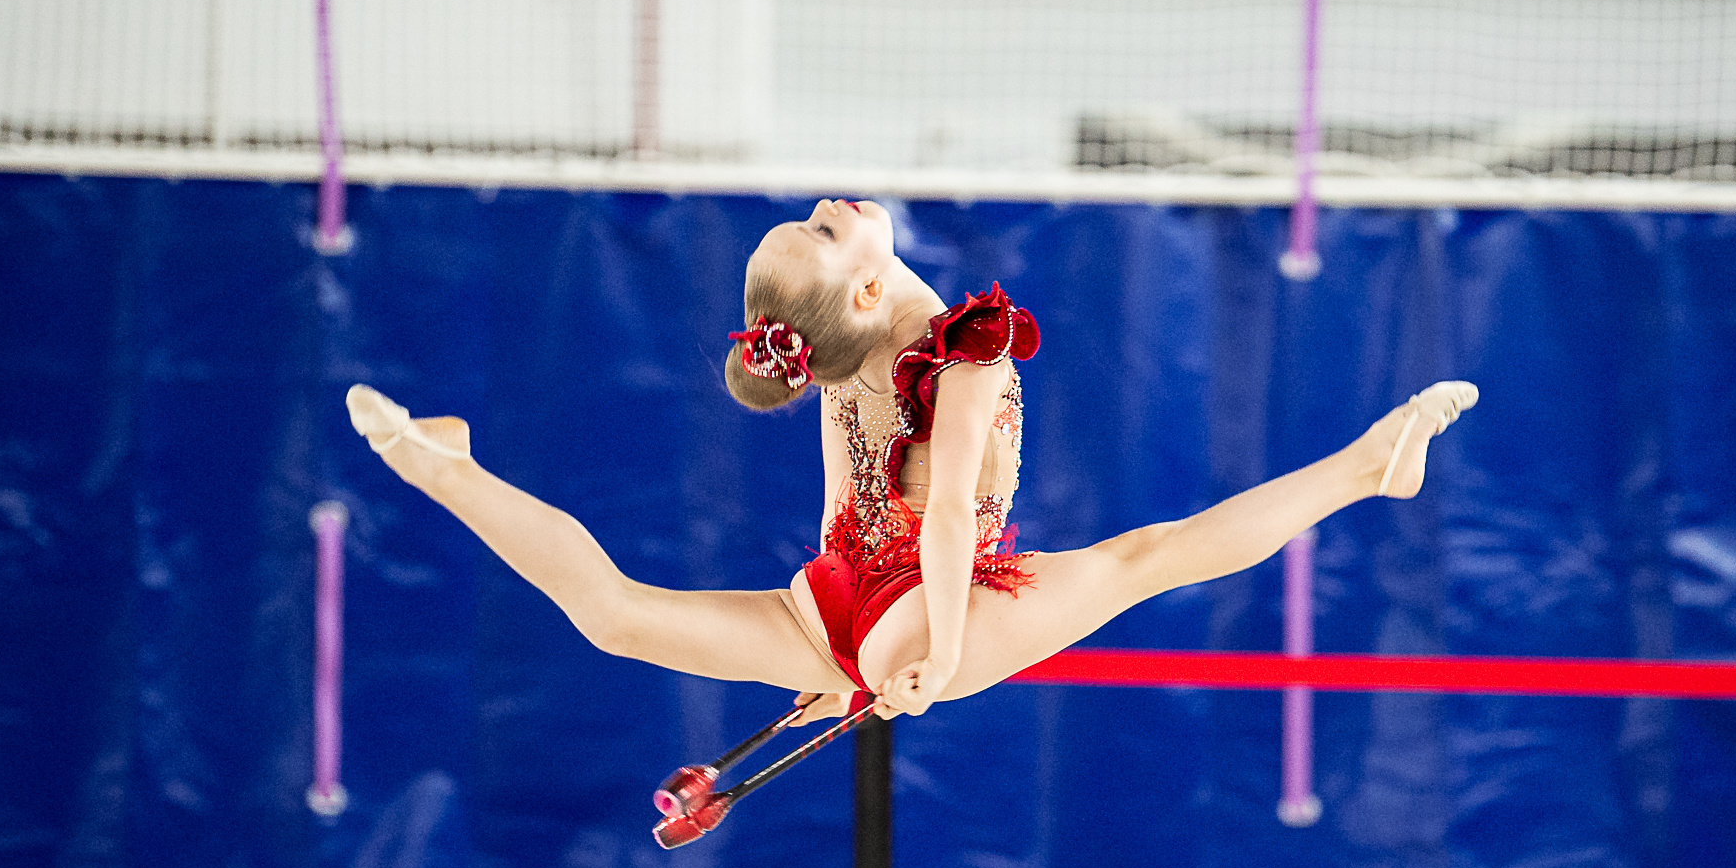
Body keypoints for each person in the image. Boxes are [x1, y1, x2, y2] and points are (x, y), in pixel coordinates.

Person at [348, 197, 1475, 722]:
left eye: (813, 220)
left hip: (834, 595)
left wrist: (822, 655)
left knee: (616, 614)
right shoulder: (969, 354)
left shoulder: (841, 352)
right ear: (872, 290)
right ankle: (1370, 465)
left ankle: (448, 468)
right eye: (828, 233)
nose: (831, 207)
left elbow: (846, 503)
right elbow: (939, 528)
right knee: (1148, 558)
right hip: (922, 601)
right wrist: (932, 655)